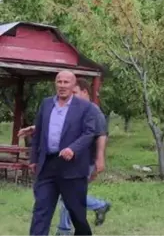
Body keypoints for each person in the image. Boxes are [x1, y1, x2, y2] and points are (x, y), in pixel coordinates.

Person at [20, 78, 112, 236]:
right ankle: (62, 229)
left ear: (83, 92)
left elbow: (98, 134)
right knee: (42, 207)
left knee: (74, 206)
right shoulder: (49, 104)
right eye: (59, 82)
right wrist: (34, 151)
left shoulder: (91, 109)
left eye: (72, 88)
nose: (63, 87)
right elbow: (58, 126)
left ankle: (92, 212)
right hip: (49, 163)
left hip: (77, 163)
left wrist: (99, 158)